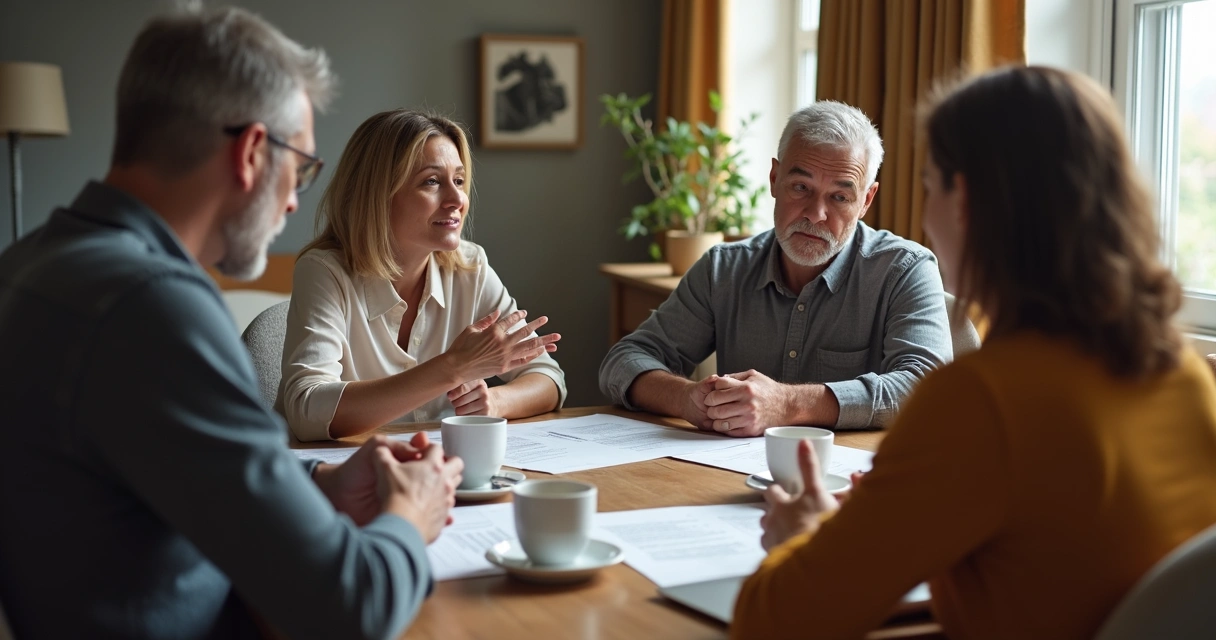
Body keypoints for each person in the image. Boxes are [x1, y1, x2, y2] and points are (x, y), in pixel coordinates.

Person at [0, 8, 464, 640]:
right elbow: (352, 606)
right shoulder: (153, 306)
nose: (296, 200)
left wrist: (320, 482)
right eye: (299, 168)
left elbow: (156, 469)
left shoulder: (30, 263)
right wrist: (413, 512)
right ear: (251, 153)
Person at [732, 66, 1216, 640]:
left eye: (931, 182)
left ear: (965, 202)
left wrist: (805, 534)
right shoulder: (1183, 373)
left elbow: (774, 621)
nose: (925, 215)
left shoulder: (980, 402)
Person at [598, 101, 952, 435]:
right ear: (774, 178)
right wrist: (687, 398)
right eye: (801, 187)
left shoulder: (905, 270)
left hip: (858, 484)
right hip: (725, 477)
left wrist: (788, 405)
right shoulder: (723, 269)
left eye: (840, 197)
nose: (816, 214)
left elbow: (929, 388)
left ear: (866, 200)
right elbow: (624, 360)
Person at [278, 109, 565, 441]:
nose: (458, 199)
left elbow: (548, 377)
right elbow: (306, 408)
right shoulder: (324, 271)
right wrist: (452, 367)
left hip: (441, 473)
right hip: (347, 479)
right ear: (378, 194)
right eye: (432, 181)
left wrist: (496, 401)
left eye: (458, 180)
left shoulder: (470, 267)